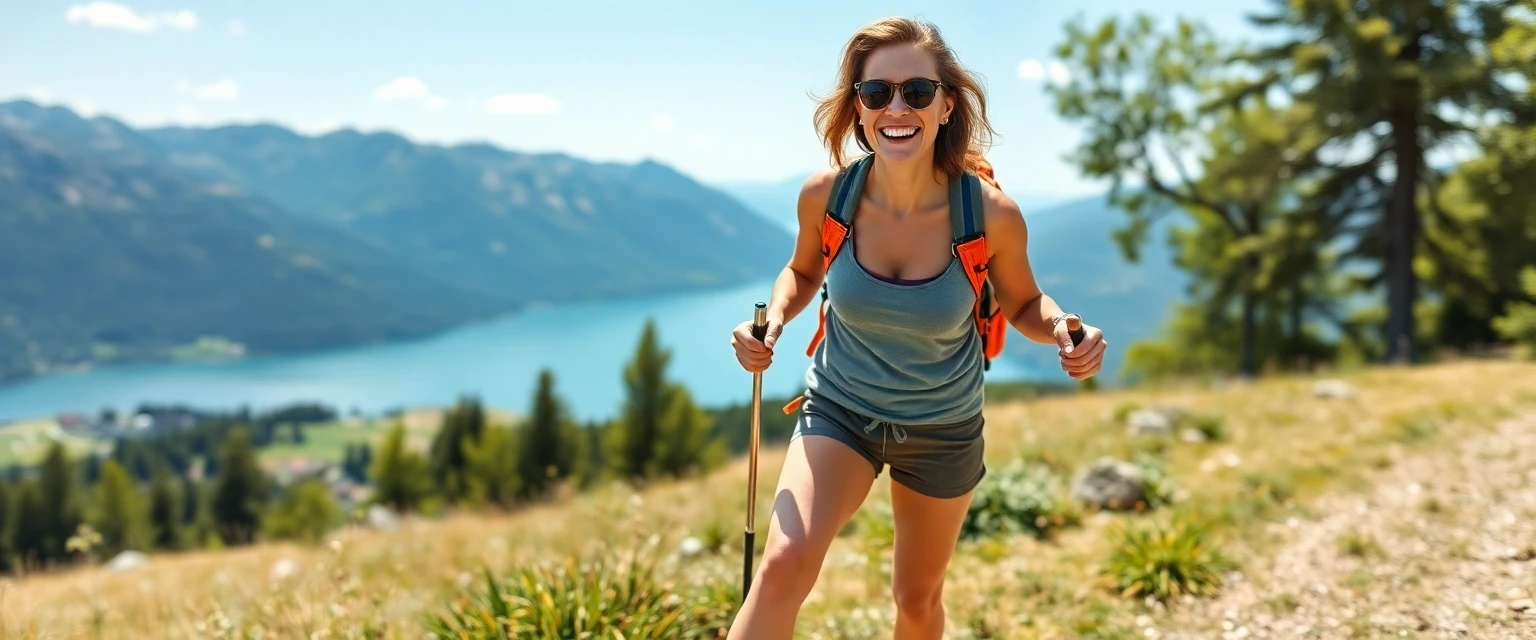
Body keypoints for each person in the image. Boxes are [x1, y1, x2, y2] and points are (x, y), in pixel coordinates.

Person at [726, 16, 1108, 640]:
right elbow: (799, 272)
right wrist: (766, 323)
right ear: (857, 107)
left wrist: (1068, 330)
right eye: (876, 93)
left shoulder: (988, 213)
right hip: (841, 409)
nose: (895, 108)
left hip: (943, 427)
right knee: (783, 566)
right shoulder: (828, 195)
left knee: (916, 601)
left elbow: (1024, 302)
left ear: (946, 104)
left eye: (917, 92)